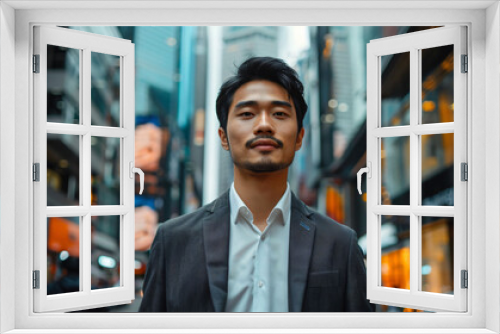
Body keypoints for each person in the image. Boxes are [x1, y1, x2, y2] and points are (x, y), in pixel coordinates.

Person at [139, 56, 373, 312]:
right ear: (224, 137)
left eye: (279, 114)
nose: (264, 125)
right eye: (247, 113)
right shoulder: (174, 241)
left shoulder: (340, 244)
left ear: (299, 138)